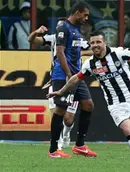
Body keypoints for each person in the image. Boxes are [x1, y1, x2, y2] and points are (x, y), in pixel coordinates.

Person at [47, 30, 130, 167]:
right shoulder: (89, 64)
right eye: (92, 43)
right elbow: (76, 78)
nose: (95, 45)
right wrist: (60, 91)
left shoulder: (118, 53)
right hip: (115, 103)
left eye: (98, 42)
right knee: (127, 130)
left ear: (105, 42)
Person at [48, 1, 97, 158]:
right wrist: (69, 74)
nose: (86, 18)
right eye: (85, 14)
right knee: (61, 110)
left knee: (88, 105)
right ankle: (53, 150)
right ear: (77, 12)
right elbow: (60, 52)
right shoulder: (63, 27)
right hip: (64, 76)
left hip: (76, 76)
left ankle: (80, 145)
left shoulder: (76, 30)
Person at [28, 18, 83, 150]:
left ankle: (66, 135)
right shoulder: (53, 38)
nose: (61, 28)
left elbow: (92, 49)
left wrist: (80, 52)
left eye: (63, 25)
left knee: (68, 119)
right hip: (57, 79)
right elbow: (32, 40)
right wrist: (37, 32)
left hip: (73, 80)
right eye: (58, 25)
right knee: (56, 113)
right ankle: (56, 143)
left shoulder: (76, 38)